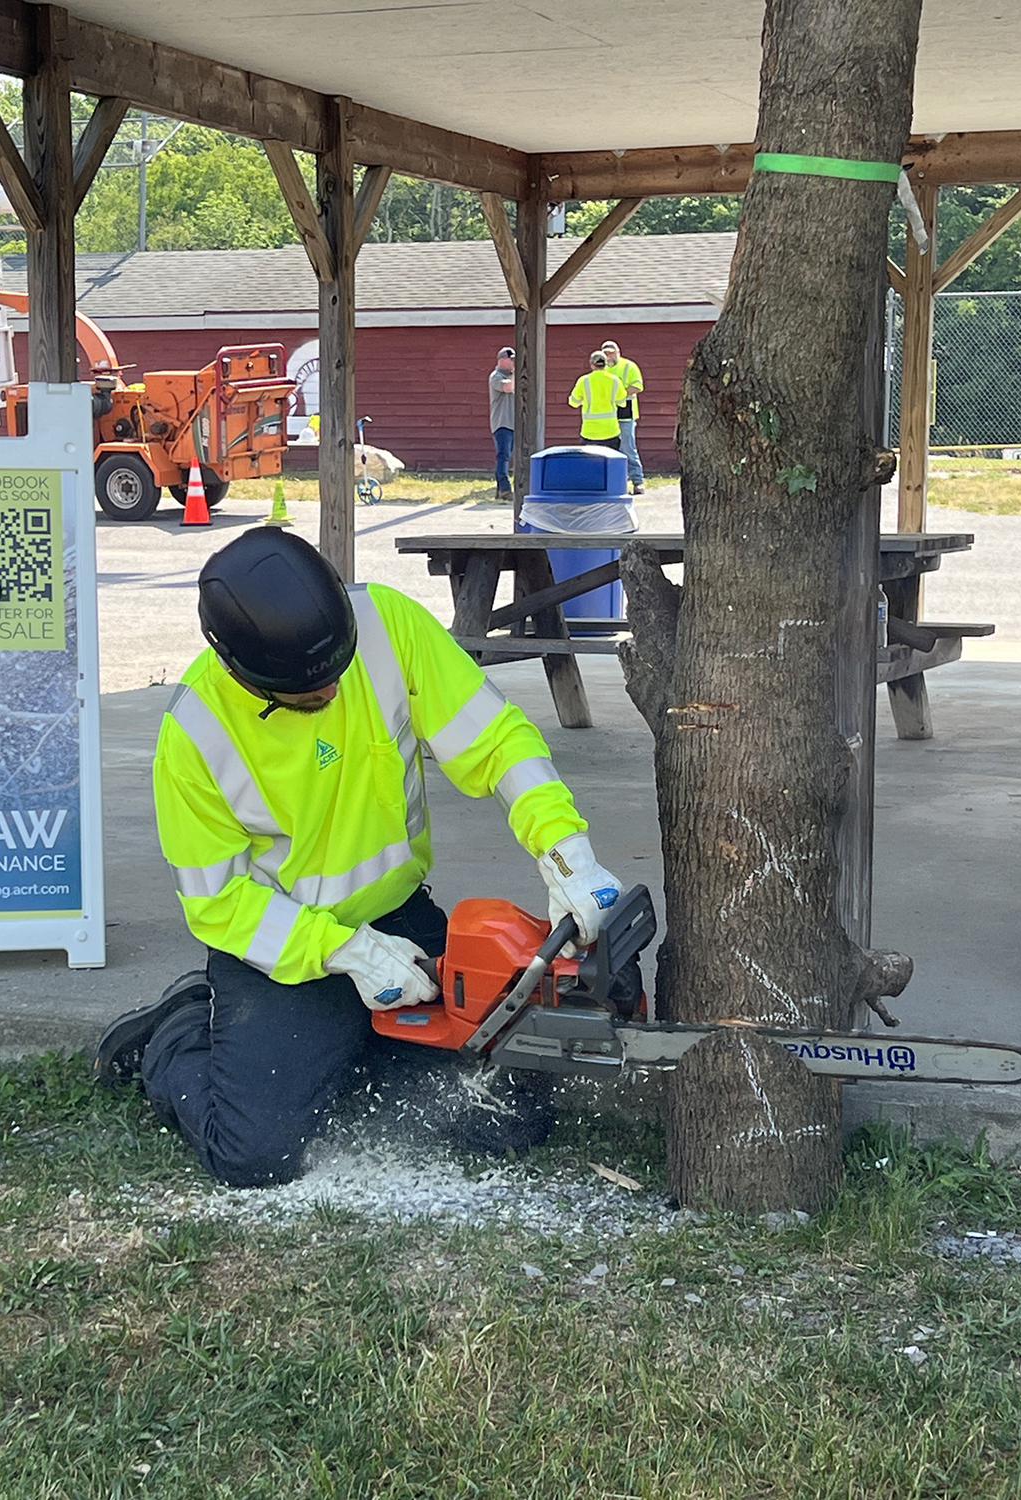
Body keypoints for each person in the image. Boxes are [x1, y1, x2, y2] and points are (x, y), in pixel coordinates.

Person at [94, 528, 631, 1187]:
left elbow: (495, 740)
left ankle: (346, 1042)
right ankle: (176, 1032)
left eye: (337, 671)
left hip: (398, 917)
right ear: (241, 671)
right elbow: (219, 902)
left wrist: (563, 846)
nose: (332, 692)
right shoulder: (195, 736)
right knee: (256, 1154)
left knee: (505, 1119)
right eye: (309, 690)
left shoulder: (385, 624)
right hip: (284, 951)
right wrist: (345, 953)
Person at [600, 340, 645, 495]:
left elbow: (638, 387)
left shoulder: (628, 366)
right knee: (609, 449)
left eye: (611, 352)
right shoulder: (601, 370)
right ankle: (615, 482)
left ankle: (637, 480)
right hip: (607, 415)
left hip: (626, 413)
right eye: (606, 353)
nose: (609, 356)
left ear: (618, 352)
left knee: (627, 448)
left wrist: (619, 394)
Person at [568, 350, 625, 447]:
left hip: (589, 432)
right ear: (606, 364)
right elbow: (622, 403)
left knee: (590, 462)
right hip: (610, 431)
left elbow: (573, 402)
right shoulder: (615, 380)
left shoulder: (583, 381)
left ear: (591, 364)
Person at [488, 347, 516, 500]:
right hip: (502, 423)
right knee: (503, 456)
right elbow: (508, 387)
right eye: (512, 360)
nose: (513, 363)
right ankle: (504, 488)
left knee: (512, 455)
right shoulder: (496, 376)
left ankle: (501, 491)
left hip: (514, 423)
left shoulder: (513, 376)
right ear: (502, 360)